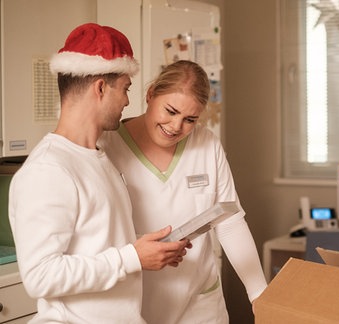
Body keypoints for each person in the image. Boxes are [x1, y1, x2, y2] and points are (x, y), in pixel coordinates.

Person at [9, 23, 190, 323]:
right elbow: (40, 276)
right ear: (101, 88)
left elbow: (97, 242)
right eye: (125, 89)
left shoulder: (98, 157)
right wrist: (131, 257)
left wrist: (146, 248)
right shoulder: (48, 170)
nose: (128, 101)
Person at [99, 60, 267, 323]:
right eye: (170, 111)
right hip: (136, 301)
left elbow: (230, 221)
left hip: (199, 302)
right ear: (151, 93)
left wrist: (259, 293)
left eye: (190, 119)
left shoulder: (206, 144)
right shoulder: (107, 146)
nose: (176, 126)